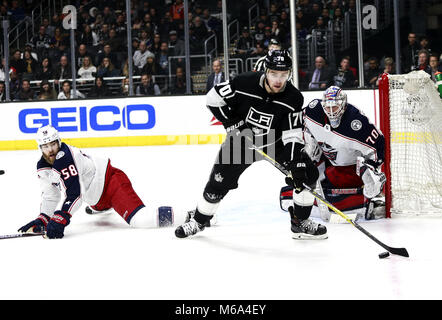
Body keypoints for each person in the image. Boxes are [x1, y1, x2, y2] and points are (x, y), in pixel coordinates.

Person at [174, 50, 326, 240]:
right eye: (273, 74)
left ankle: (300, 222)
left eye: (283, 74)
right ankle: (198, 221)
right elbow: (213, 98)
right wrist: (232, 123)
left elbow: (292, 134)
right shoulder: (244, 82)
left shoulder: (294, 98)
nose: (278, 80)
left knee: (307, 175)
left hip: (275, 143)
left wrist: (296, 163)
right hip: (241, 140)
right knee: (218, 182)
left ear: (289, 74)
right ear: (266, 70)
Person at [17, 125, 184, 239]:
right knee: (93, 201)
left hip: (111, 184)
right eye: (45, 146)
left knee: (141, 220)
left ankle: (192, 215)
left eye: (53, 144)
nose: (50, 150)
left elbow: (75, 194)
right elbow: (50, 194)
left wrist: (62, 217)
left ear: (58, 142)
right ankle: (102, 207)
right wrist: (44, 218)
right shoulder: (42, 167)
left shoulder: (65, 157)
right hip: (96, 196)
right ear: (40, 148)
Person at [280, 86, 386, 221]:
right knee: (303, 175)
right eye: (327, 107)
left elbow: (378, 144)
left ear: (343, 105)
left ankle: (365, 200)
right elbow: (301, 127)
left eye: (334, 107)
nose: (331, 111)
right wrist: (300, 158)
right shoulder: (314, 110)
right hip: (326, 158)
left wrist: (371, 169)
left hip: (348, 167)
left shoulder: (356, 122)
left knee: (337, 179)